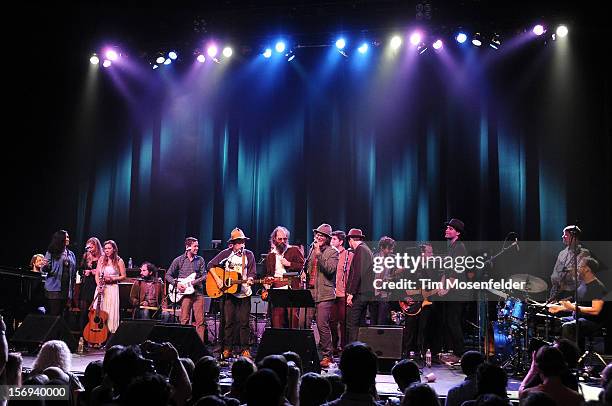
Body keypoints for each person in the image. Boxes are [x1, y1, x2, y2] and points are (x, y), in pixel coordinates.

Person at [208, 228, 256, 359]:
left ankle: (244, 349)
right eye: (239, 242)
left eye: (243, 242)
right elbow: (210, 265)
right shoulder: (226, 254)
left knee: (244, 322)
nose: (242, 244)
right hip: (229, 293)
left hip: (244, 293)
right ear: (233, 244)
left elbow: (252, 272)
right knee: (228, 322)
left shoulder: (249, 255)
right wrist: (218, 280)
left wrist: (251, 278)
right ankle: (227, 348)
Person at [548, 256, 608, 350]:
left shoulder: (597, 287)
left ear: (587, 269)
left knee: (567, 327)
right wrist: (561, 308)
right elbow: (578, 305)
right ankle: (558, 352)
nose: (577, 269)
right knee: (556, 321)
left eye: (580, 266)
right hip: (578, 317)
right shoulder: (582, 285)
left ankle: (572, 356)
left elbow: (595, 310)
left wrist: (572, 307)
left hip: (592, 321)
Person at [306, 223, 339, 368]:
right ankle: (308, 352)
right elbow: (308, 268)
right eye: (317, 235)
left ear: (327, 238)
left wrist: (319, 254)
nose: (318, 237)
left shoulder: (333, 252)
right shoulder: (312, 250)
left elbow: (330, 269)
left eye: (322, 235)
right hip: (311, 292)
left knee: (321, 325)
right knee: (305, 324)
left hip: (325, 294)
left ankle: (328, 356)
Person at [166, 237, 207, 342]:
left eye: (198, 246)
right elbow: (168, 275)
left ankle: (200, 346)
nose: (197, 248)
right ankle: (183, 344)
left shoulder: (200, 260)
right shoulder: (179, 260)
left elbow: (204, 276)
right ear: (188, 247)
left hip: (198, 293)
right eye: (195, 246)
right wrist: (177, 284)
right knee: (184, 319)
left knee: (200, 321)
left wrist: (193, 282)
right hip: (185, 294)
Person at [263, 226, 304, 328]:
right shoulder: (270, 256)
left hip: (291, 289)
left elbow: (303, 267)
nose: (283, 241)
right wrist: (267, 281)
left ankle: (294, 342)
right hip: (276, 289)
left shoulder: (294, 250)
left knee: (293, 319)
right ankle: (279, 343)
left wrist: (289, 264)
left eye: (285, 239)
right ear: (274, 240)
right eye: (280, 239)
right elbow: (268, 273)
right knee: (277, 319)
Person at [519, 346, 584, 406]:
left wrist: (532, 370)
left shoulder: (527, 395)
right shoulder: (577, 398)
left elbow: (521, 392)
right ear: (562, 366)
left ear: (539, 368)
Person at [443, 218, 468, 357]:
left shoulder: (459, 247)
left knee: (454, 323)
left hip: (458, 292)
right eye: (447, 228)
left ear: (457, 233)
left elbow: (456, 271)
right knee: (449, 322)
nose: (447, 230)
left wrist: (447, 288)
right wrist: (441, 285)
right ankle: (455, 352)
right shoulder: (451, 247)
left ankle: (460, 353)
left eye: (451, 229)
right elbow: (447, 271)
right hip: (452, 291)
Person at [345, 228, 374, 344]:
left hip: (360, 293)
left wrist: (351, 293)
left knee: (352, 323)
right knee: (360, 322)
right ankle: (361, 349)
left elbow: (357, 273)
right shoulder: (367, 249)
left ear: (351, 240)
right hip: (365, 293)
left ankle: (352, 350)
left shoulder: (360, 250)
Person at [94, 240, 126, 335]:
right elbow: (97, 274)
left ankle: (109, 335)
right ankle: (98, 334)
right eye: (105, 248)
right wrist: (98, 285)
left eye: (109, 248)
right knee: (100, 310)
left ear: (114, 249)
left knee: (110, 312)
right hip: (101, 288)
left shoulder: (119, 261)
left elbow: (123, 276)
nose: (107, 250)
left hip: (112, 288)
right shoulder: (101, 259)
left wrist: (112, 278)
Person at [41, 229, 77, 317]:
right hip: (55, 288)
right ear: (60, 239)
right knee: (54, 314)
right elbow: (44, 269)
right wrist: (45, 266)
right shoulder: (51, 252)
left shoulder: (71, 254)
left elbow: (73, 271)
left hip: (66, 289)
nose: (68, 239)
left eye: (68, 237)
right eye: (66, 237)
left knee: (63, 316)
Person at [550, 225, 590, 300]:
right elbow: (555, 273)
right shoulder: (562, 253)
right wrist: (556, 283)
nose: (562, 236)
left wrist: (565, 283)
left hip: (571, 293)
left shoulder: (583, 253)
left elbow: (579, 275)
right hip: (557, 292)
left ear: (573, 237)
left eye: (565, 235)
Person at [330, 230, 353, 354]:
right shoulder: (329, 254)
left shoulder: (348, 255)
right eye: (331, 239)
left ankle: (344, 347)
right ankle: (334, 346)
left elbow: (351, 274)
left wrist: (349, 292)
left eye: (334, 239)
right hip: (331, 294)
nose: (332, 241)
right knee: (332, 321)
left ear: (341, 242)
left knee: (343, 322)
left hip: (342, 293)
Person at [78, 237, 103, 332]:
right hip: (86, 286)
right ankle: (82, 335)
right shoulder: (85, 256)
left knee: (95, 312)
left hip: (96, 286)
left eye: (92, 247)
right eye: (88, 248)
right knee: (84, 312)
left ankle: (94, 334)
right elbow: (80, 270)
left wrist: (94, 272)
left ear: (97, 247)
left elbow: (104, 271)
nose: (90, 250)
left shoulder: (102, 257)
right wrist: (85, 272)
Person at [372, 236, 396, 325]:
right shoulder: (373, 258)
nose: (392, 251)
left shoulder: (393, 259)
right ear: (382, 247)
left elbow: (393, 275)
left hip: (385, 293)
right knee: (373, 320)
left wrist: (392, 276)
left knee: (382, 321)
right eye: (389, 249)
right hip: (373, 292)